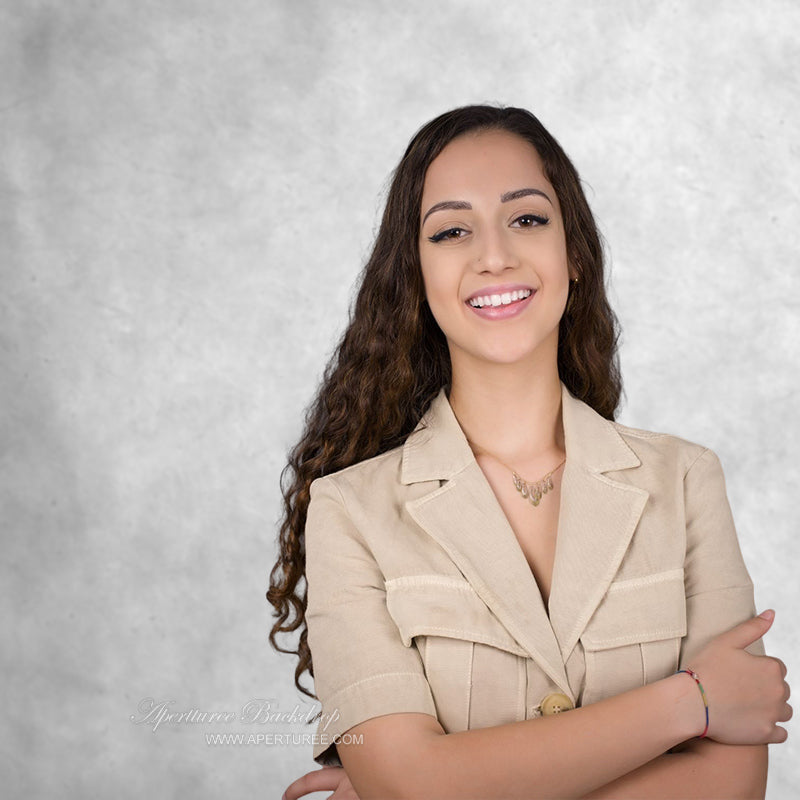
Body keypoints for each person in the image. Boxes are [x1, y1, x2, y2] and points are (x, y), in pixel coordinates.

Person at [268, 105, 791, 799]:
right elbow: (408, 785)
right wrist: (690, 703)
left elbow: (731, 786)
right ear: (415, 276)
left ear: (572, 251)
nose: (494, 255)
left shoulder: (687, 481)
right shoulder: (348, 512)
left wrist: (437, 785)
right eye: (452, 231)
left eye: (527, 218)